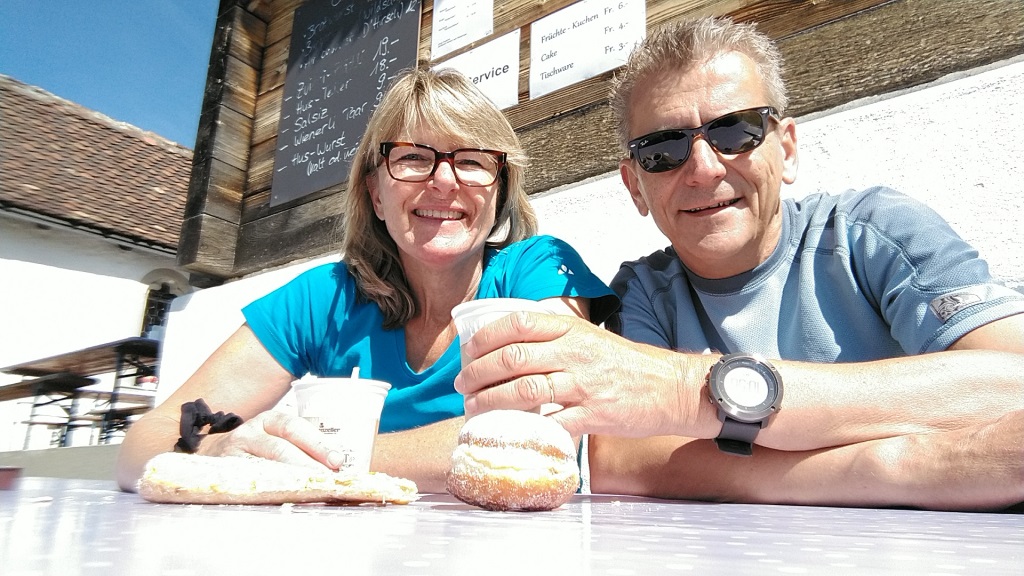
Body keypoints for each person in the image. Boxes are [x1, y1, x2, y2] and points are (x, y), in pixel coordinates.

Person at [453, 18, 1024, 510]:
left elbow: (1012, 383)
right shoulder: (643, 291)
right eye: (663, 150)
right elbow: (620, 459)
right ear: (635, 187)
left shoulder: (873, 233)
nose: (703, 167)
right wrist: (893, 465)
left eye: (736, 130)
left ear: (787, 147)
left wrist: (683, 392)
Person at [116, 67, 617, 493]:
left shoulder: (539, 268)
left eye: (471, 160)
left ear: (499, 193)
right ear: (375, 194)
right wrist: (222, 446)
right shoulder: (325, 297)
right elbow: (142, 444)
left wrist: (317, 467)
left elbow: (541, 436)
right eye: (413, 158)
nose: (444, 181)